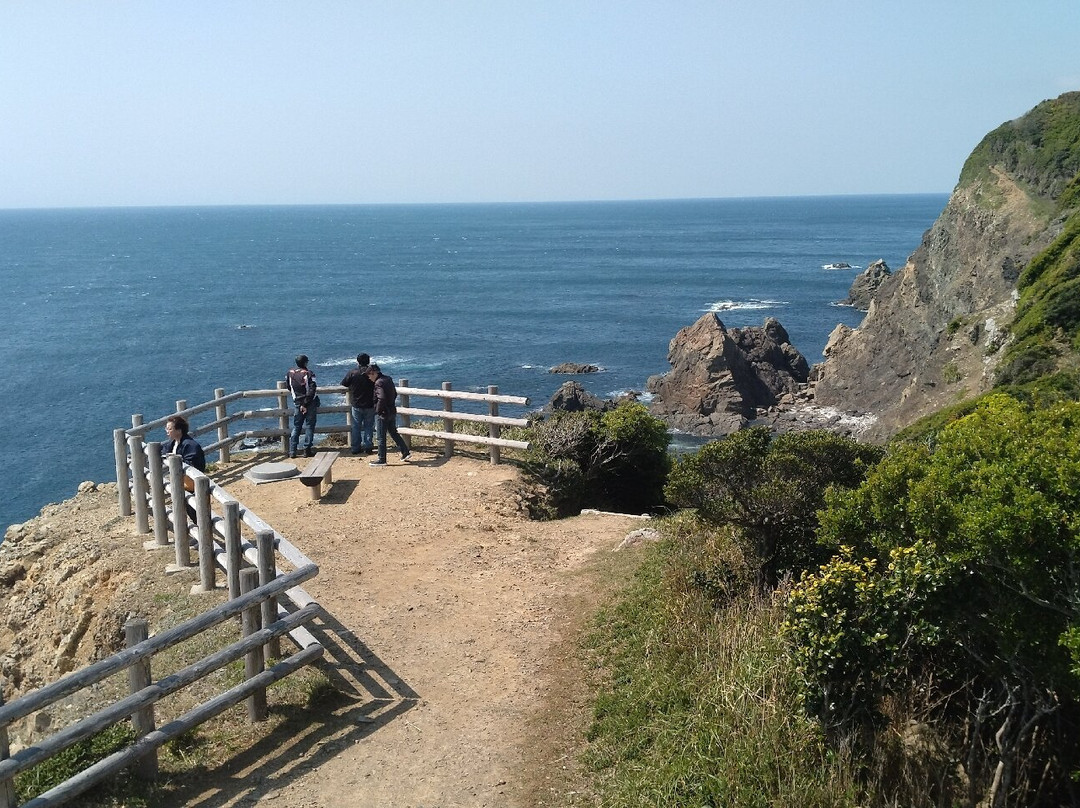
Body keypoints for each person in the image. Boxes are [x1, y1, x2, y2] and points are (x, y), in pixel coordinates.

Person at [367, 363, 411, 466]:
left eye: (369, 375)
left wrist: (378, 410)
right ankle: (405, 452)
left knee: (381, 436)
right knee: (393, 432)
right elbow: (394, 393)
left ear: (373, 373)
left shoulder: (378, 383)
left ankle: (382, 459)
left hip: (383, 413)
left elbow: (381, 398)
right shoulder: (388, 379)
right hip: (391, 410)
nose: (369, 378)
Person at [340, 352, 376, 455]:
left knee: (356, 426)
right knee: (368, 426)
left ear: (358, 361)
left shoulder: (353, 372)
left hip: (356, 404)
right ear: (368, 361)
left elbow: (344, 383)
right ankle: (368, 446)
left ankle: (355, 448)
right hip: (370, 404)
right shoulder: (372, 372)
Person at [162, 414, 206, 493]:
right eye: (166, 428)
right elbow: (163, 451)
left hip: (192, 484)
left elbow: (193, 465)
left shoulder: (191, 445)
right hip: (180, 480)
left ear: (179, 430)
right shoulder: (173, 442)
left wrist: (176, 459)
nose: (167, 431)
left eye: (170, 429)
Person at [286, 354, 319, 458]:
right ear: (305, 363)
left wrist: (300, 402)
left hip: (297, 402)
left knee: (296, 426)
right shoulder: (309, 373)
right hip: (309, 403)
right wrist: (305, 404)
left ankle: (292, 451)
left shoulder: (290, 373)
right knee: (309, 426)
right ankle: (307, 449)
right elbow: (312, 389)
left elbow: (288, 386)